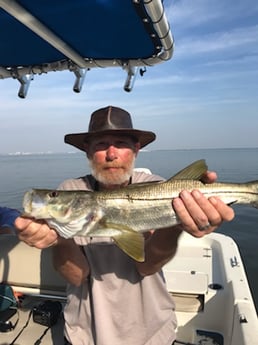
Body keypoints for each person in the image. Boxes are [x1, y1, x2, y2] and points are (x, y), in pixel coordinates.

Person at [15, 106, 234, 345]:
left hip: (151, 334)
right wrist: (60, 238)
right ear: (87, 151)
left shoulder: (158, 186)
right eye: (100, 144)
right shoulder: (71, 189)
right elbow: (77, 276)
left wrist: (175, 224)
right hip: (84, 334)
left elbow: (147, 266)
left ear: (136, 149)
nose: (111, 154)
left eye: (120, 143)